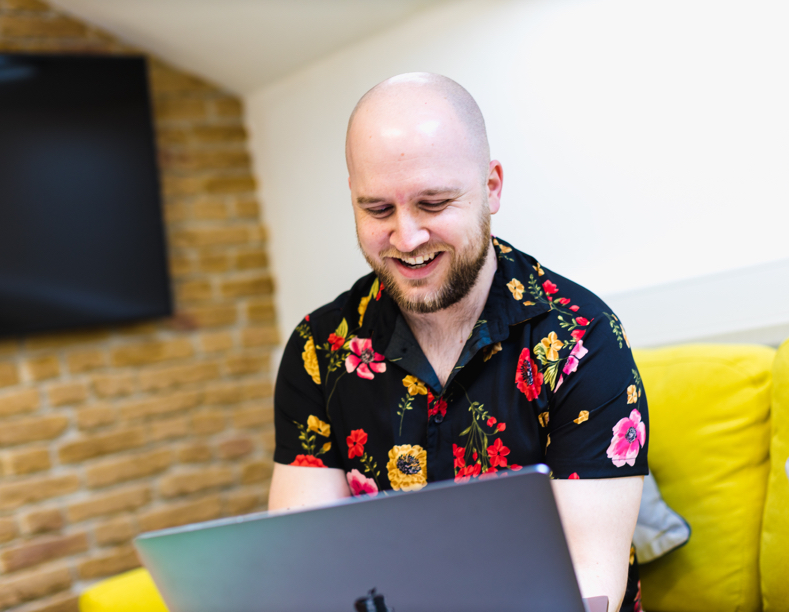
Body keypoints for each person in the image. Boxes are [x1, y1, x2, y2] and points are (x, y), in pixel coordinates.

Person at [268, 72, 648, 612]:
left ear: (491, 187)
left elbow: (589, 591)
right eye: (377, 209)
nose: (407, 238)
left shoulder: (581, 338)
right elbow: (305, 571)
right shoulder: (319, 348)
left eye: (433, 203)